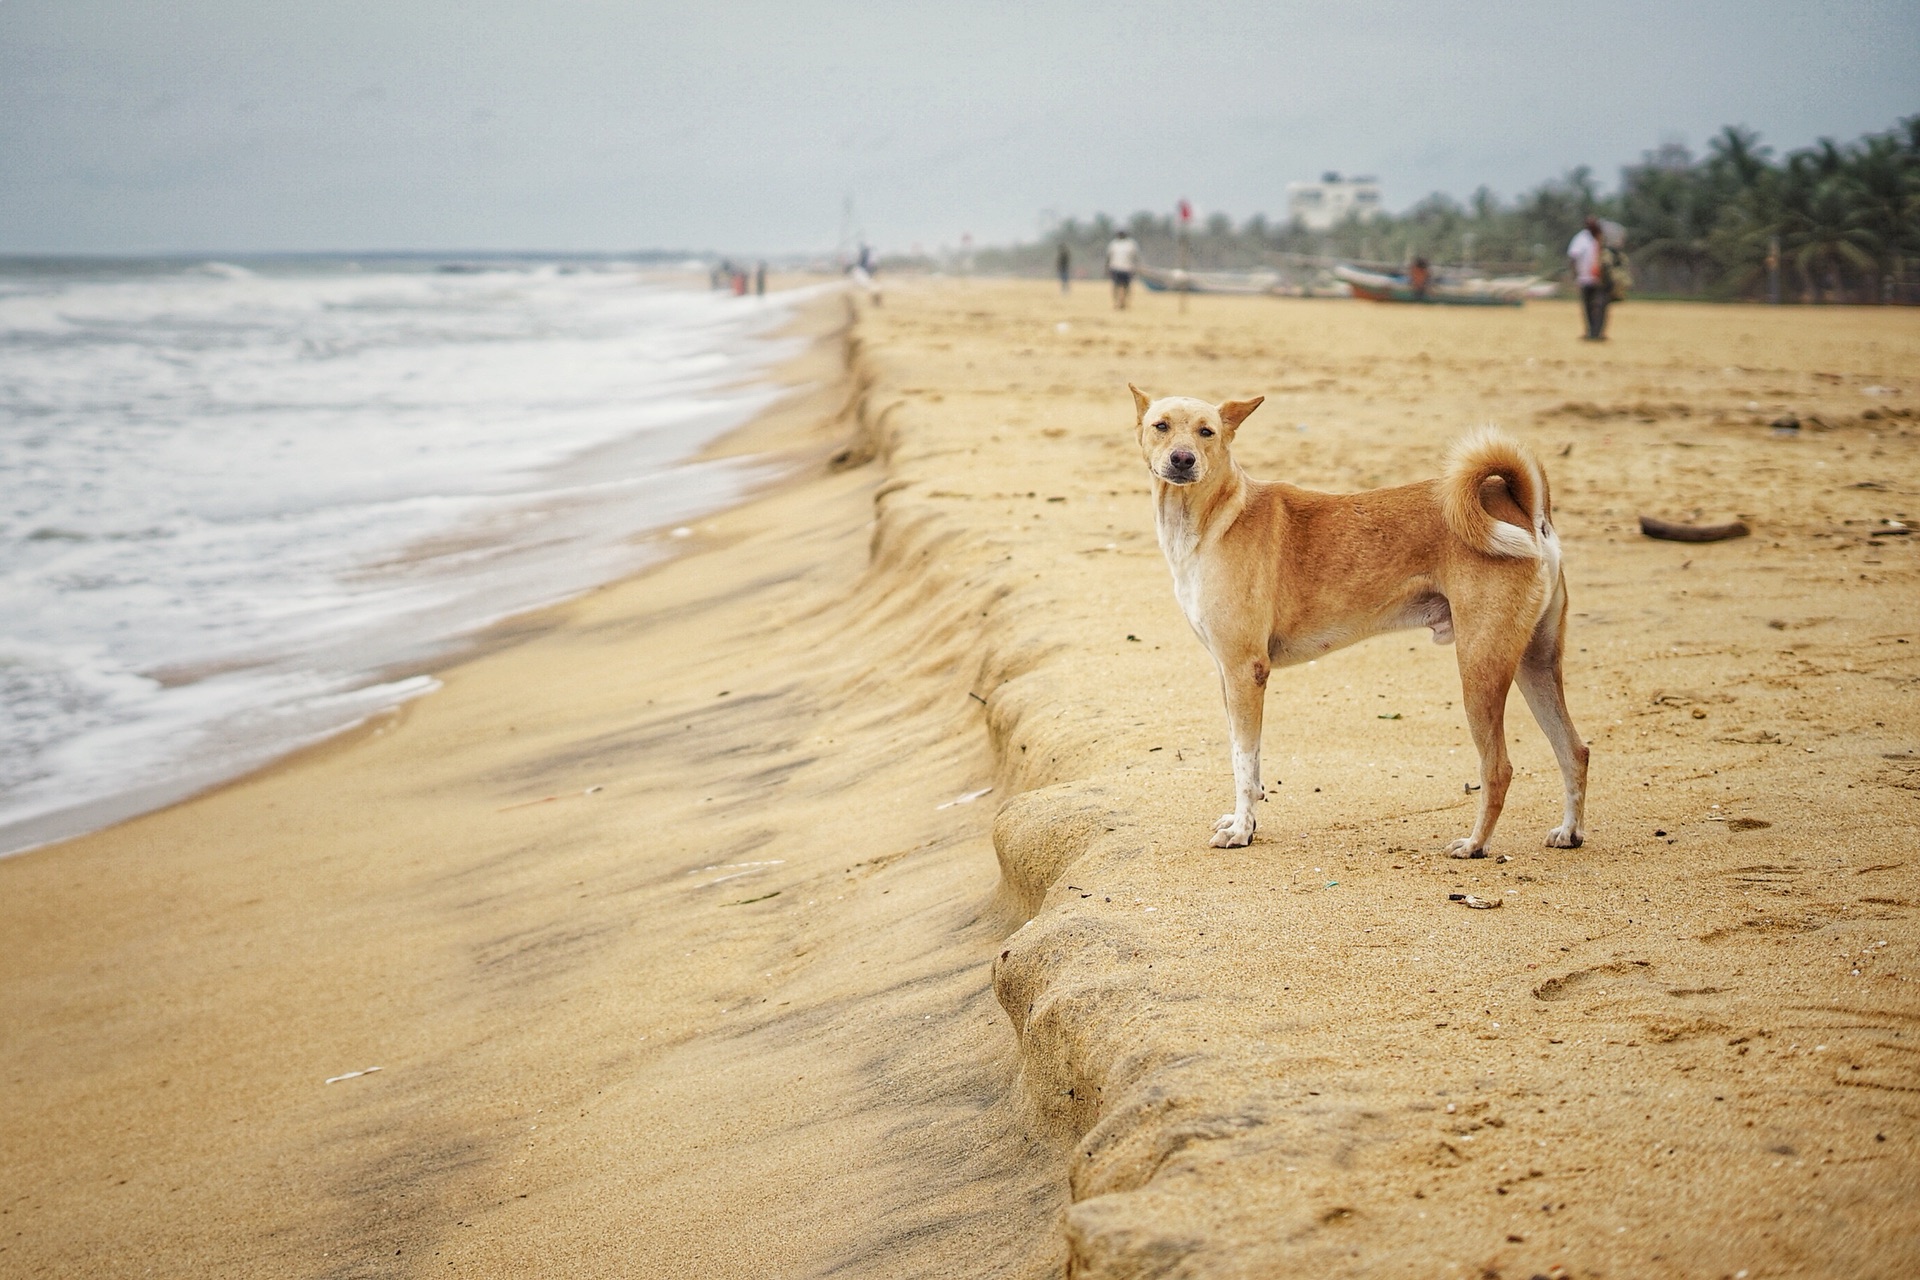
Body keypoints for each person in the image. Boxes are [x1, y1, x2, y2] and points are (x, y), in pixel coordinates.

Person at [1568, 216, 1609, 340]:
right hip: (1585, 279)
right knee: (1588, 307)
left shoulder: (1602, 238)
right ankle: (1590, 332)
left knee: (1600, 306)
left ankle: (1598, 333)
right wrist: (1575, 275)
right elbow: (1573, 257)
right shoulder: (1581, 239)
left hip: (1600, 279)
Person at [1106, 230, 1139, 310]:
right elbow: (1109, 257)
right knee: (1117, 286)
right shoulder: (1114, 244)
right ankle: (1118, 302)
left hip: (1126, 268)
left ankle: (1123, 302)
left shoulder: (1130, 244)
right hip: (1117, 267)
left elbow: (1135, 257)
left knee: (1125, 286)